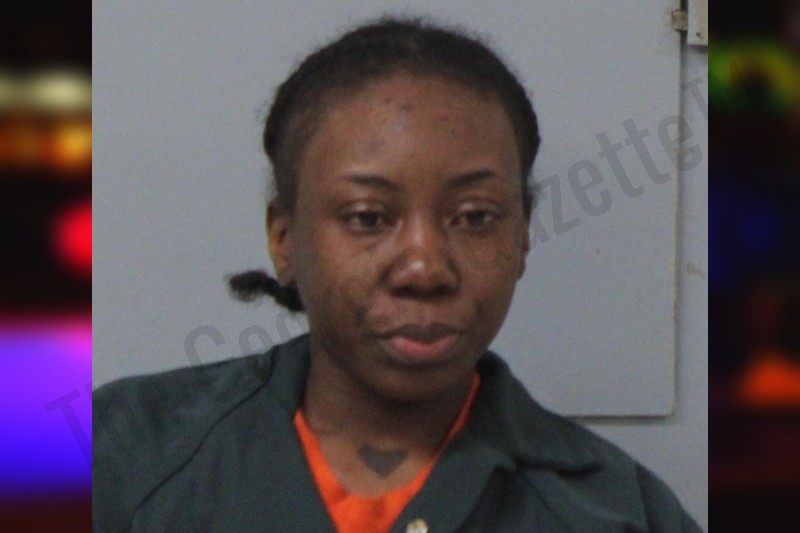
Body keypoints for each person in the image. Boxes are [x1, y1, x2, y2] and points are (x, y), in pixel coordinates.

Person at [93, 17, 703, 532]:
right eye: (368, 217)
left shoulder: (616, 512)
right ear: (284, 238)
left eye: (475, 217)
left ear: (521, 236)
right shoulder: (122, 457)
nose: (424, 268)